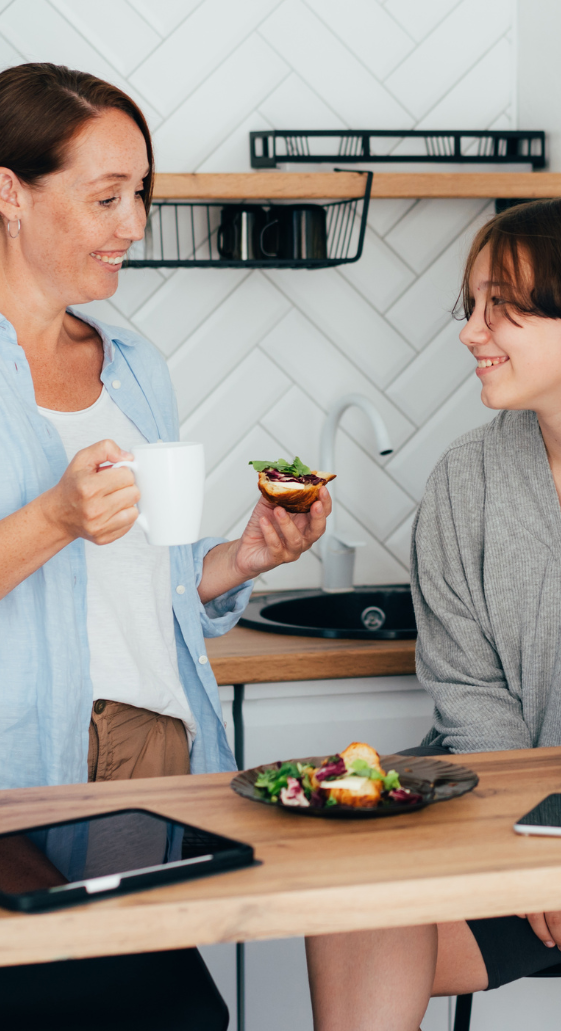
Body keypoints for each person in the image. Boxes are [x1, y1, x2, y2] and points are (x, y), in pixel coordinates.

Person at [305, 192, 561, 1030]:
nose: (471, 331)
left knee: (368, 907)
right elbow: (466, 688)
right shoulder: (464, 479)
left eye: (501, 308)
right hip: (493, 810)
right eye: (470, 306)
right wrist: (531, 836)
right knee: (344, 851)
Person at [0, 62, 331, 791]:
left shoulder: (134, 365)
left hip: (159, 735)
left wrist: (242, 559)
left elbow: (154, 582)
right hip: (23, 749)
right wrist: (57, 516)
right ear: (10, 192)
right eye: (107, 197)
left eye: (141, 192)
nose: (135, 223)